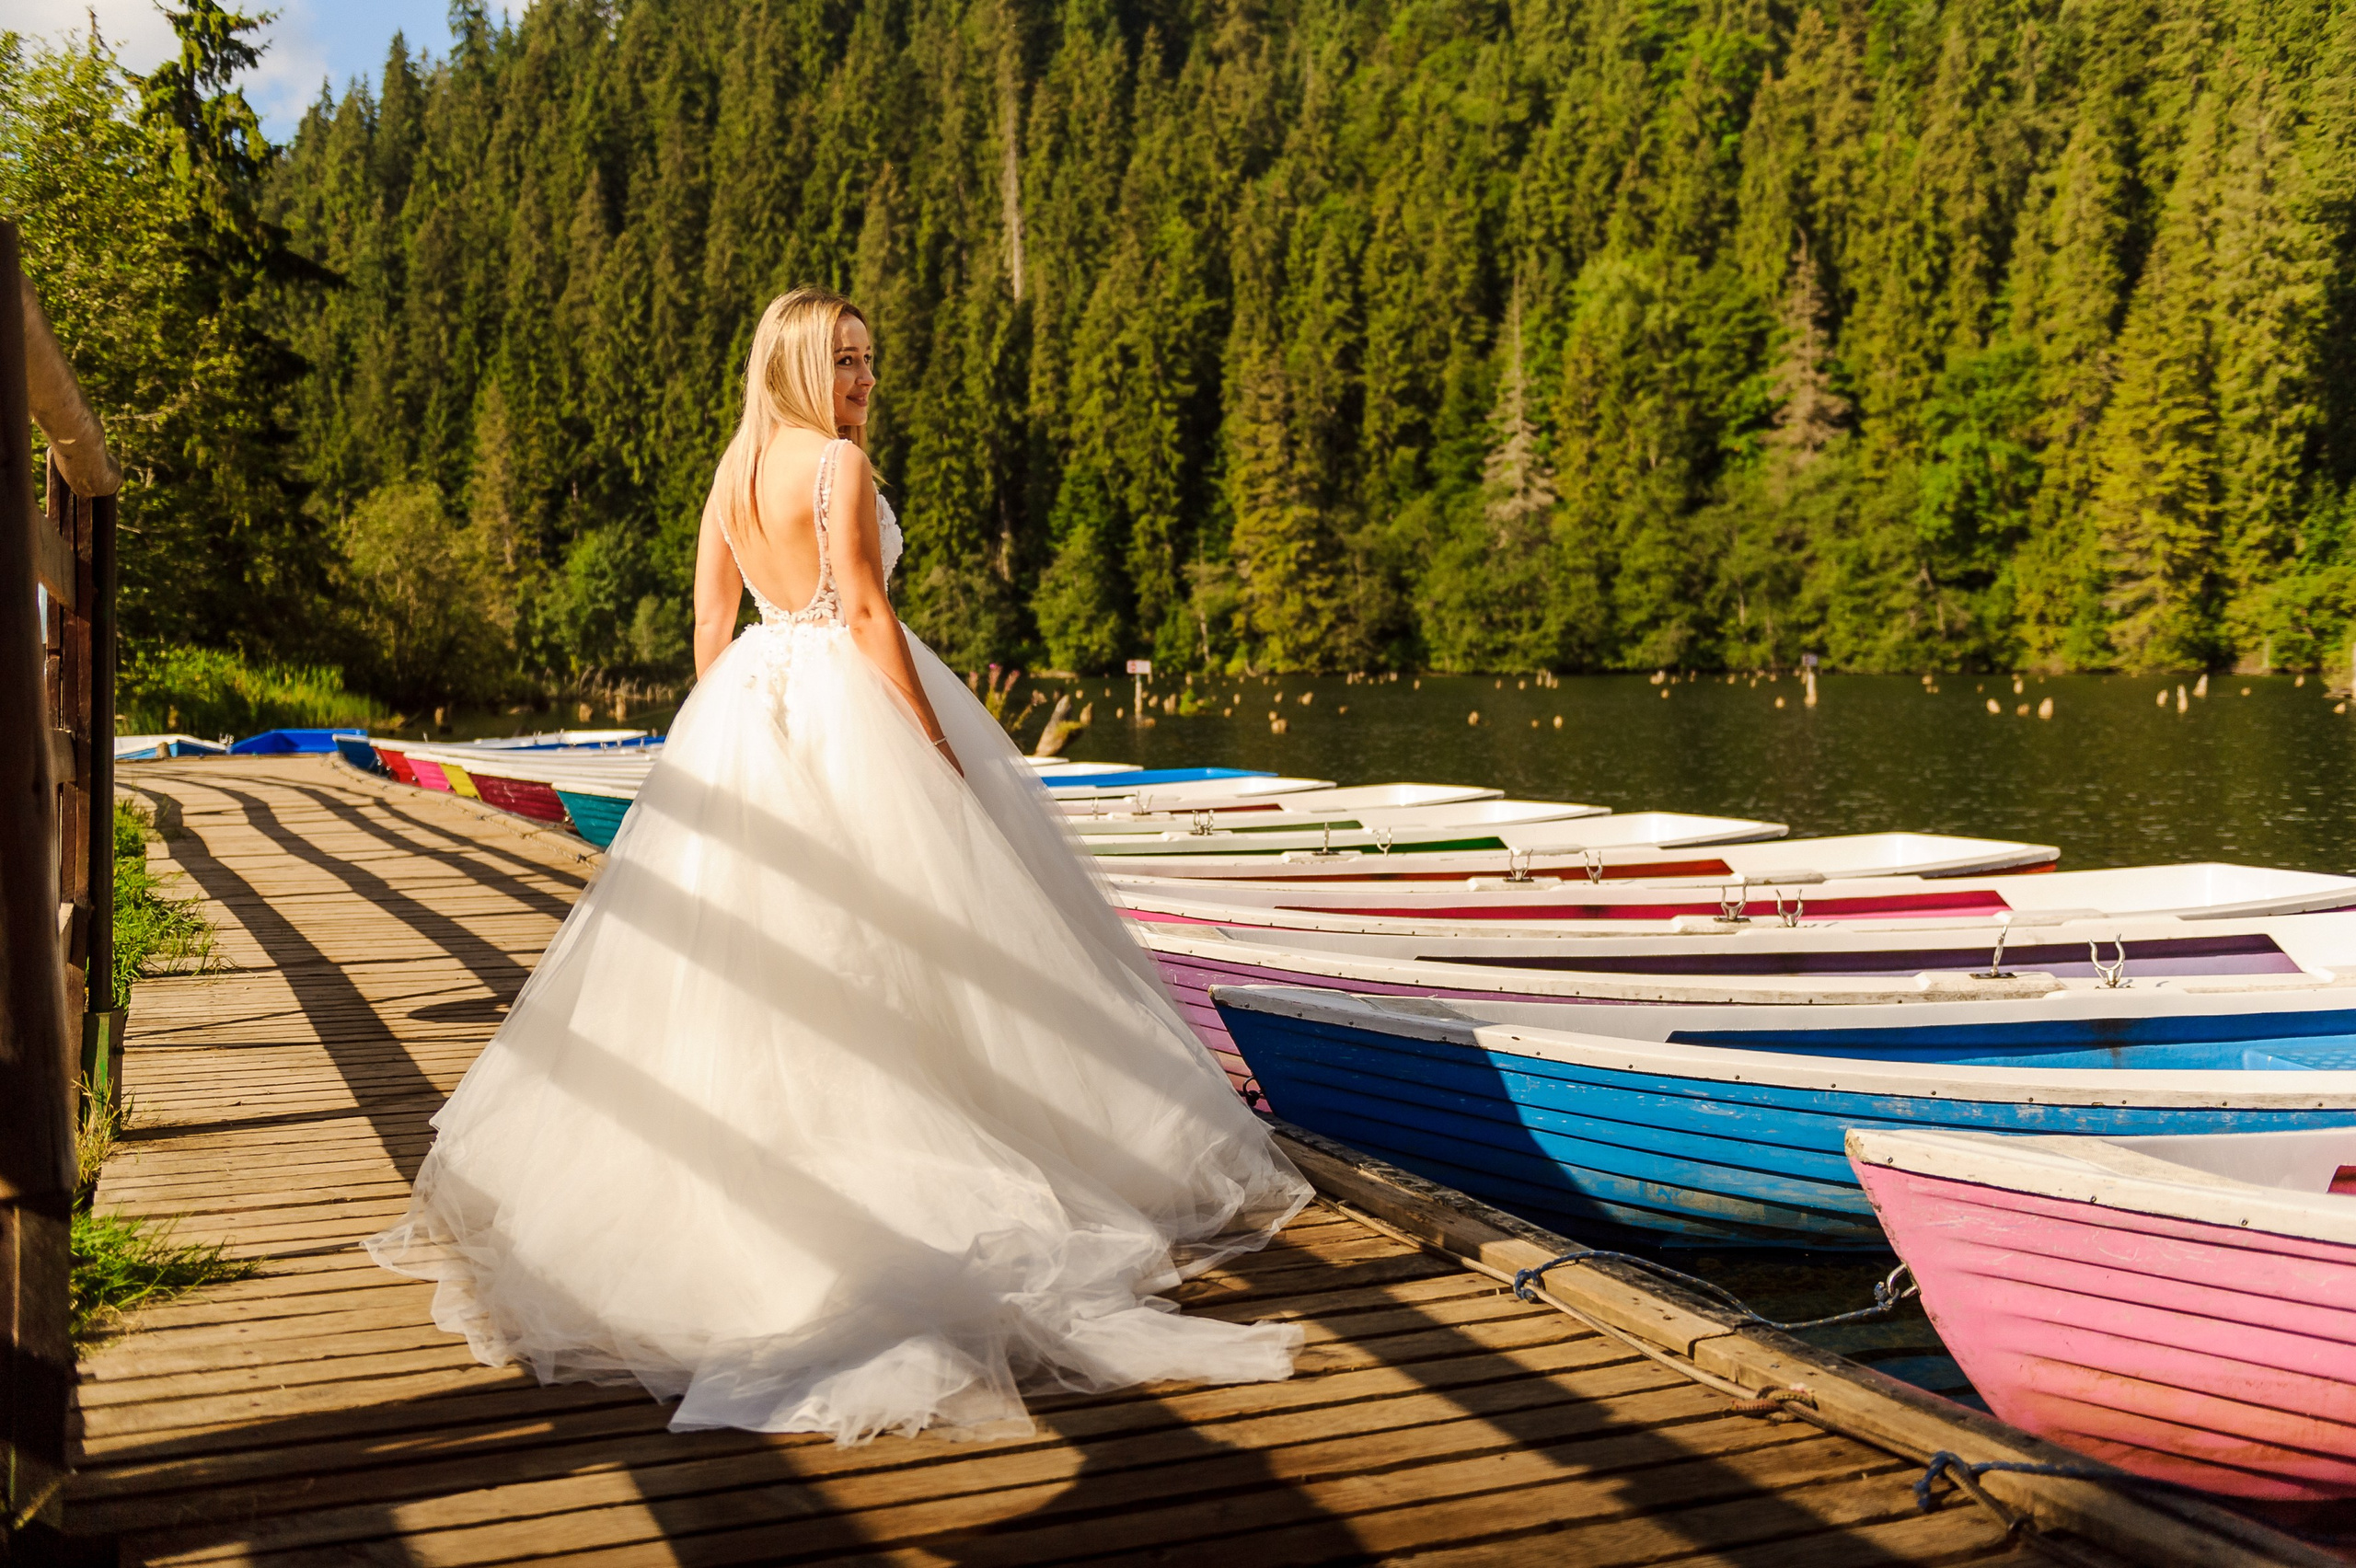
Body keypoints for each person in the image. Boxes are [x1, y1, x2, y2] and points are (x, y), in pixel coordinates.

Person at [365, 287, 1311, 1445]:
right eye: (845, 361)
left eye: (867, 359)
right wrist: (931, 745)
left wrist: (726, 737)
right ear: (799, 369)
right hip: (847, 711)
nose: (865, 380)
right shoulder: (838, 468)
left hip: (753, 714)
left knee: (772, 964)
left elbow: (711, 628)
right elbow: (865, 614)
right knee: (899, 940)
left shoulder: (732, 470)